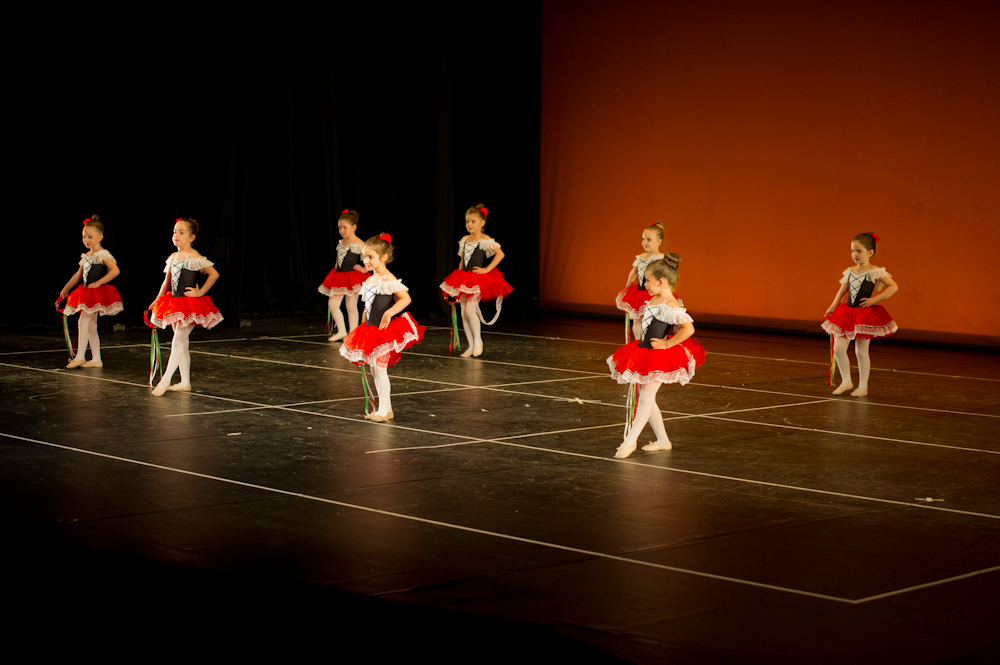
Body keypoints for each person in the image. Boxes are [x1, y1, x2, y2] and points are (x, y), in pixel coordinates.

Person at [607, 254, 704, 459]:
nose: (644, 284)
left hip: (659, 357)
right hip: (644, 352)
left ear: (661, 282)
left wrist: (667, 343)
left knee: (646, 397)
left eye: (648, 280)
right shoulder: (654, 299)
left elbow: (689, 329)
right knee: (647, 397)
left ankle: (629, 442)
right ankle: (663, 441)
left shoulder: (670, 304)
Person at [340, 233, 425, 422]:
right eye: (364, 257)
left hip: (383, 331)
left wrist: (389, 313)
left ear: (384, 257)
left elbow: (405, 298)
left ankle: (385, 411)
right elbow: (367, 307)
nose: (366, 261)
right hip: (370, 329)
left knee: (380, 369)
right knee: (374, 370)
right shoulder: (369, 280)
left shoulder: (388, 278)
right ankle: (384, 409)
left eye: (370, 257)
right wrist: (362, 325)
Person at [148, 217, 222, 396]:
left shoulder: (193, 256)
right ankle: (185, 382)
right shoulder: (173, 257)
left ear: (191, 237)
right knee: (182, 343)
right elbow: (166, 281)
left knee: (177, 340)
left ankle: (165, 380)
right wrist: (157, 299)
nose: (176, 235)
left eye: (181, 232)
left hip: (190, 305)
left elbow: (214, 274)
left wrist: (200, 292)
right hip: (174, 303)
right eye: (175, 232)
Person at [822, 232, 898, 397]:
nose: (855, 254)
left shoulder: (875, 271)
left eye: (859, 251)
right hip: (847, 313)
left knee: (861, 351)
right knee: (838, 348)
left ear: (870, 252)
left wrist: (875, 299)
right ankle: (846, 381)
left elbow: (893, 286)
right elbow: (842, 291)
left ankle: (863, 387)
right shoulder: (850, 271)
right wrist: (833, 306)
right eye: (852, 251)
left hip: (863, 315)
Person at [439, 204, 512, 357]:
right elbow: (462, 260)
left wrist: (487, 269)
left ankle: (478, 341)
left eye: (473, 221)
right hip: (464, 277)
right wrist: (457, 277)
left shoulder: (485, 240)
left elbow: (500, 254)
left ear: (482, 223)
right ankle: (471, 346)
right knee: (463, 312)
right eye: (467, 221)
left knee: (470, 310)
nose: (469, 224)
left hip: (477, 279)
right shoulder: (465, 239)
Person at [59, 215, 123, 368]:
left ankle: (80, 356)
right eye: (84, 236)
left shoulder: (102, 254)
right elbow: (78, 275)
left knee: (83, 321)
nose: (86, 240)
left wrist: (99, 283)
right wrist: (66, 288)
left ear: (100, 236)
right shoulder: (87, 256)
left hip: (95, 293)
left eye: (90, 237)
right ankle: (96, 359)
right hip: (86, 292)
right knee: (91, 325)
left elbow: (115, 271)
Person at [318, 209, 369, 342]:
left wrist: (364, 269)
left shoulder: (359, 244)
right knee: (333, 304)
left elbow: (369, 259)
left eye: (345, 227)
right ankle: (341, 331)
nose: (342, 230)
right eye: (340, 227)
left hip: (352, 277)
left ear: (354, 227)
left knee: (351, 306)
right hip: (339, 276)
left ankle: (353, 333)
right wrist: (335, 271)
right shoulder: (341, 243)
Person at [616, 221, 666, 341]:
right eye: (643, 239)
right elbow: (633, 273)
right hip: (639, 293)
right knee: (637, 321)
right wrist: (627, 288)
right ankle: (638, 343)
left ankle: (649, 343)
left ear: (658, 242)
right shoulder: (641, 257)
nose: (644, 242)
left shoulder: (661, 258)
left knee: (651, 320)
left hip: (654, 294)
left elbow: (663, 278)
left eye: (649, 240)